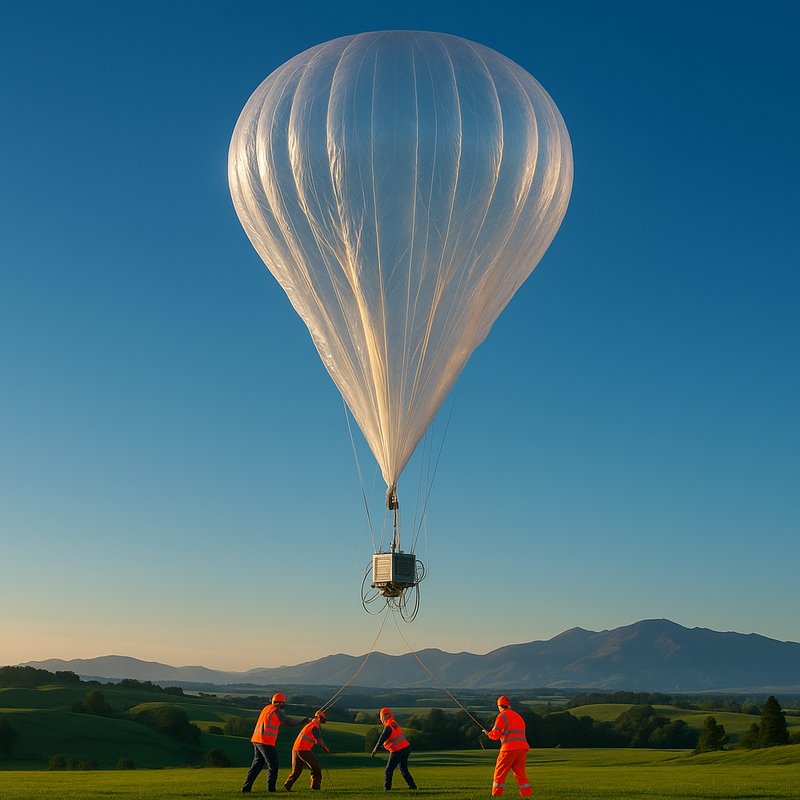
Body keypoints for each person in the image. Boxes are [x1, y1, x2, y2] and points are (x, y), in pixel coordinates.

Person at [241, 692, 307, 793]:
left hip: (256, 740)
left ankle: (246, 788)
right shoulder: (276, 711)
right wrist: (302, 722)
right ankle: (271, 789)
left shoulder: (266, 708)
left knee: (256, 765)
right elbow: (288, 722)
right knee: (273, 765)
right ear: (281, 703)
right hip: (266, 742)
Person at [481, 695, 531, 797]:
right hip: (522, 748)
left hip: (508, 749)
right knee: (520, 774)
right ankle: (527, 794)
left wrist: (488, 733)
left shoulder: (502, 716)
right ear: (508, 705)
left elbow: (495, 735)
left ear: (499, 706)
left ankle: (497, 794)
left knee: (499, 773)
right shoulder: (518, 716)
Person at [283, 709, 332, 791]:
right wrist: (326, 749)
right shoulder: (314, 727)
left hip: (295, 749)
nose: (322, 722)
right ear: (319, 718)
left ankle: (287, 785)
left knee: (296, 771)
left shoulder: (309, 725)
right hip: (303, 750)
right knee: (316, 768)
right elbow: (320, 741)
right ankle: (315, 787)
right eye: (323, 720)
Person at [370, 707, 417, 791]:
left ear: (384, 717)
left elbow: (382, 737)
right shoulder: (393, 723)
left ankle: (387, 789)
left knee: (388, 770)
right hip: (406, 748)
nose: (381, 720)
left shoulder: (388, 726)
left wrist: (375, 749)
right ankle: (412, 787)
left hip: (398, 750)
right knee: (403, 769)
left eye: (381, 717)